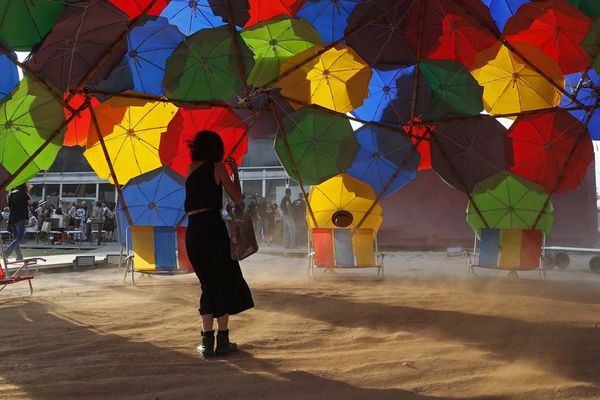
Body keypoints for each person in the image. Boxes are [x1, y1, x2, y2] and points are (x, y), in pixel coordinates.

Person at [185, 130, 254, 358]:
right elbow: (236, 198)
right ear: (216, 148)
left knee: (207, 284)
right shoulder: (217, 167)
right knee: (223, 281)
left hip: (193, 231)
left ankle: (206, 343)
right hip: (213, 229)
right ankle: (223, 340)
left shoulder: (190, 169)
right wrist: (234, 173)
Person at [5, 183, 32, 260]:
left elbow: (9, 205)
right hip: (20, 218)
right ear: (24, 186)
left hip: (12, 218)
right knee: (19, 238)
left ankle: (19, 257)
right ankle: (6, 253)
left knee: (15, 239)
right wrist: (27, 193)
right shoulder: (24, 193)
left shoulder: (11, 194)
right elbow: (30, 202)